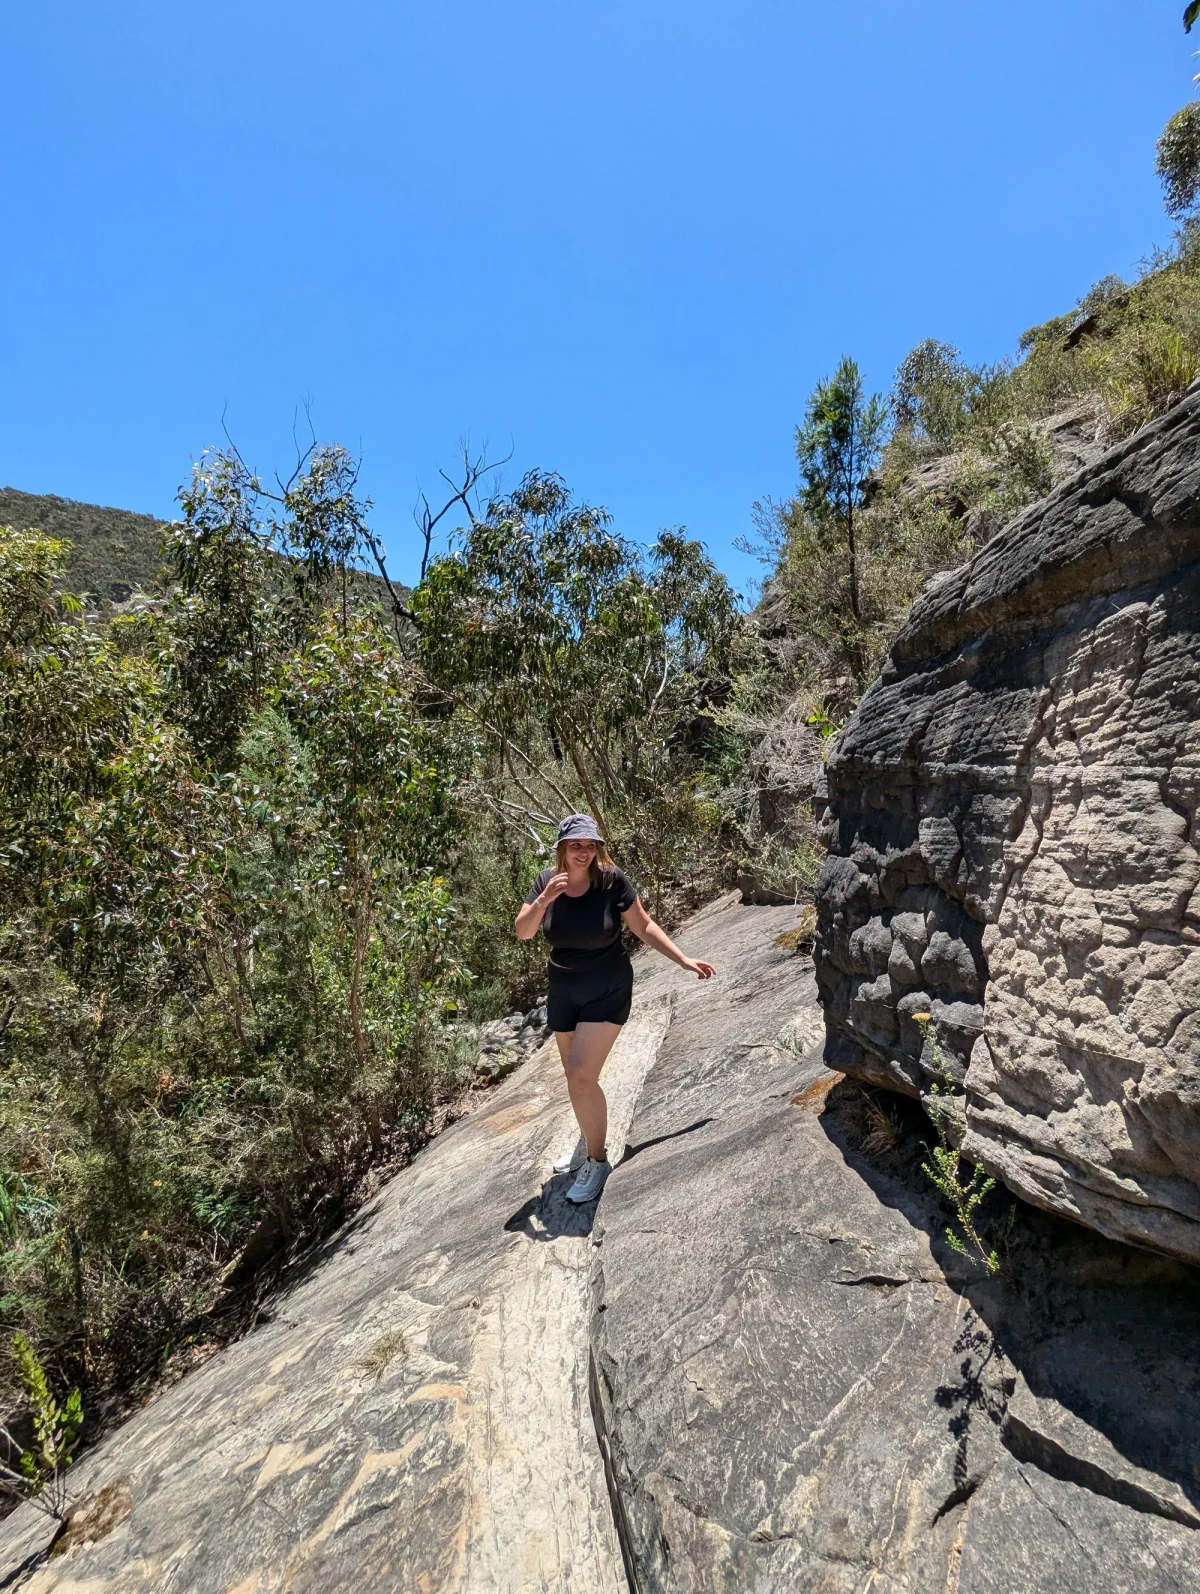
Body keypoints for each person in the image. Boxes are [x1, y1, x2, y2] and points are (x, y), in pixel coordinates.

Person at [514, 813, 716, 1204]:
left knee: (581, 1076)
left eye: (590, 845)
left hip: (606, 985)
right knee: (575, 1078)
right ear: (561, 848)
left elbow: (643, 925)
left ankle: (597, 1160)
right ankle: (589, 1140)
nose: (584, 852)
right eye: (575, 845)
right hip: (563, 987)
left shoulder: (610, 880)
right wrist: (544, 899)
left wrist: (684, 960)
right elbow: (523, 931)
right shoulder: (545, 882)